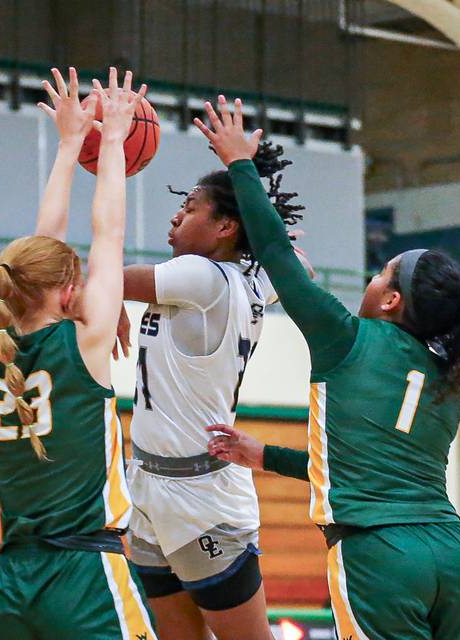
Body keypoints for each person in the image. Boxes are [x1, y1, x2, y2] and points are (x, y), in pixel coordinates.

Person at [195, 95, 460, 640]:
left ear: (391, 301)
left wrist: (240, 163)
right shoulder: (449, 382)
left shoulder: (345, 338)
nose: (372, 280)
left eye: (381, 273)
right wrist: (262, 455)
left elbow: (276, 253)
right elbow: (369, 465)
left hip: (378, 554)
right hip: (452, 554)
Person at [0, 67, 157, 640]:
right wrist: (111, 141)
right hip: (83, 576)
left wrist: (70, 144)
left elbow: (42, 246)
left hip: (11, 583)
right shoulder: (83, 344)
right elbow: (110, 232)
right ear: (65, 291)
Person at [117, 142, 308, 640]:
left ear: (226, 228)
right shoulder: (247, 280)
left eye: (191, 207)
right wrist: (269, 251)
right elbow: (300, 268)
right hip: (149, 485)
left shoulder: (198, 275)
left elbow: (103, 281)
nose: (177, 214)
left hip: (200, 495)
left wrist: (110, 296)